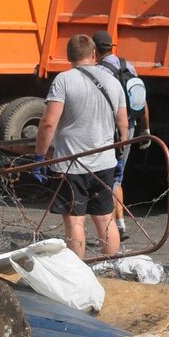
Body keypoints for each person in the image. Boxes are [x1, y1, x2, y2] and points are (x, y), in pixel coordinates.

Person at [35, 34, 129, 259]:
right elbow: (123, 125)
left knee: (75, 221)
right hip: (104, 162)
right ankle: (108, 268)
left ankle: (78, 271)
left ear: (69, 55)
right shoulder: (112, 81)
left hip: (70, 165)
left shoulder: (64, 80)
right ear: (93, 54)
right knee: (106, 218)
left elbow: (49, 124)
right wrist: (120, 158)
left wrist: (39, 157)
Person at [93, 31, 149, 242]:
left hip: (107, 127)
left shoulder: (97, 72)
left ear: (95, 50)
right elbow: (141, 99)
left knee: (102, 174)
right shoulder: (128, 66)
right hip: (130, 126)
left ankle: (109, 228)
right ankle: (120, 224)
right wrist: (146, 128)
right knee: (117, 176)